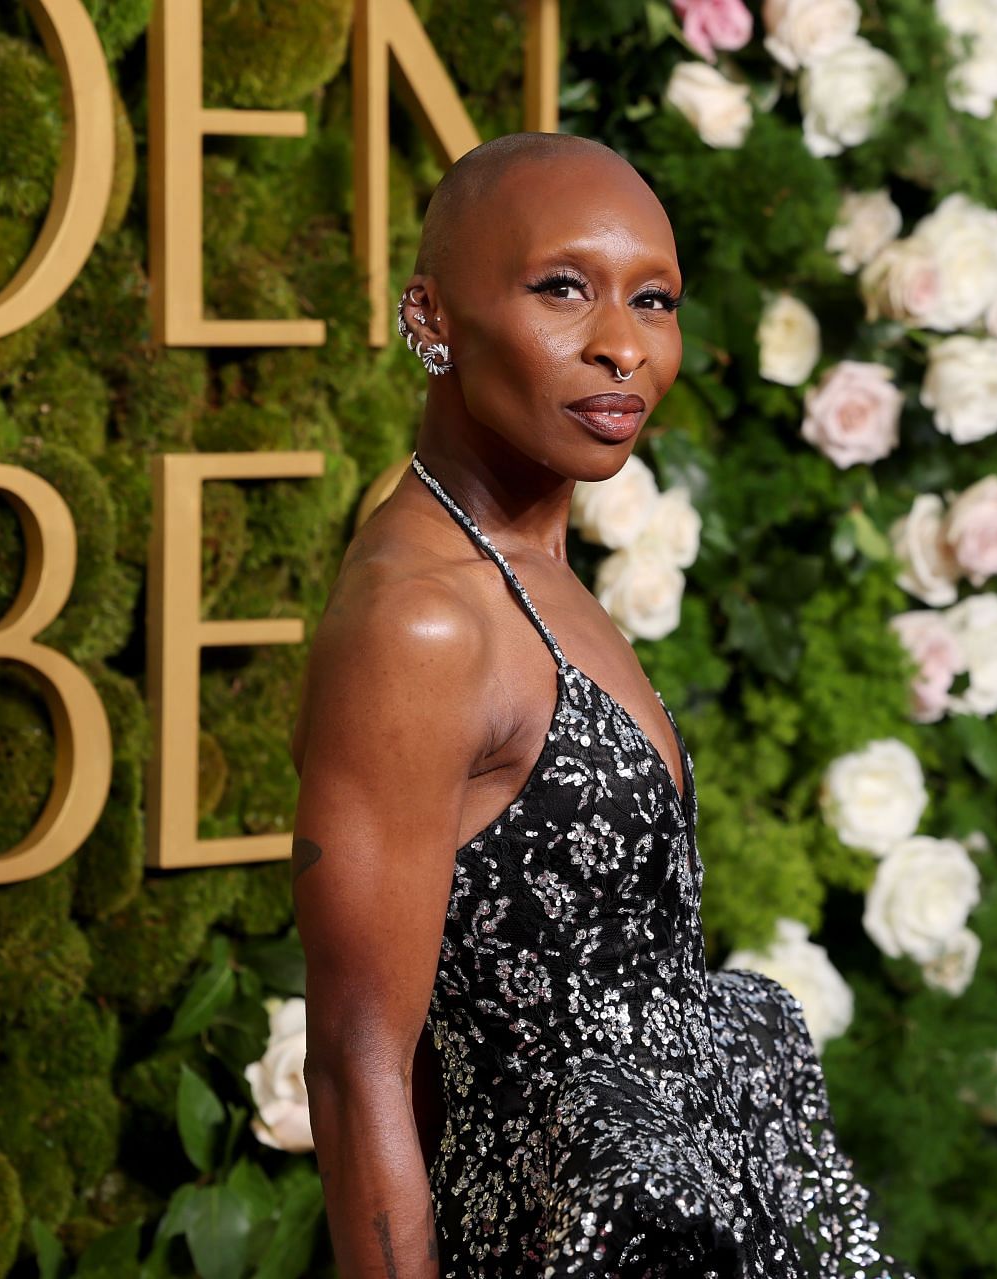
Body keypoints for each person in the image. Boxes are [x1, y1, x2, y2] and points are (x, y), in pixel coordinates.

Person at [289, 131, 915, 1279]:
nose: (622, 346)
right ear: (430, 317)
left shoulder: (536, 571)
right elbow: (358, 1059)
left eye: (655, 299)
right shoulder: (423, 619)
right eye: (562, 288)